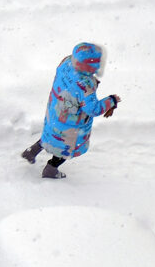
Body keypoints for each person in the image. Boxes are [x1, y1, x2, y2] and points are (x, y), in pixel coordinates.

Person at [22, 42, 120, 179]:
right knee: (64, 148)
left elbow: (72, 87)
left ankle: (31, 152)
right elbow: (93, 109)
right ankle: (50, 169)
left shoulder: (66, 63)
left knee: (51, 133)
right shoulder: (85, 85)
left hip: (55, 111)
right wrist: (111, 101)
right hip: (71, 124)